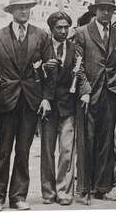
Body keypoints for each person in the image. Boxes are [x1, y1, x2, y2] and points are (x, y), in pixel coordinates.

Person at [0, 0, 52, 211]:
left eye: (27, 7)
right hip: (5, 101)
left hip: (31, 100)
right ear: (11, 11)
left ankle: (18, 196)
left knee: (23, 150)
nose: (24, 10)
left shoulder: (41, 35)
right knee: (3, 150)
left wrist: (46, 97)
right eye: (19, 7)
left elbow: (50, 70)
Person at [74, 0, 116, 201]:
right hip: (88, 93)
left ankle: (102, 187)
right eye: (102, 9)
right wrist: (84, 89)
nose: (106, 13)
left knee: (106, 140)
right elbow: (78, 65)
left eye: (109, 9)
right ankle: (84, 188)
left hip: (110, 92)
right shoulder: (81, 33)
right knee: (86, 139)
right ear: (94, 10)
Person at [39, 11, 78, 206]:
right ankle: (48, 192)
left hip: (68, 107)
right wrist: (43, 68)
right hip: (48, 107)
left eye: (66, 27)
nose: (63, 31)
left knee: (66, 150)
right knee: (47, 151)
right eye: (59, 28)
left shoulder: (74, 48)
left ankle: (64, 191)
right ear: (51, 29)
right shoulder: (42, 48)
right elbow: (32, 74)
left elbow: (81, 73)